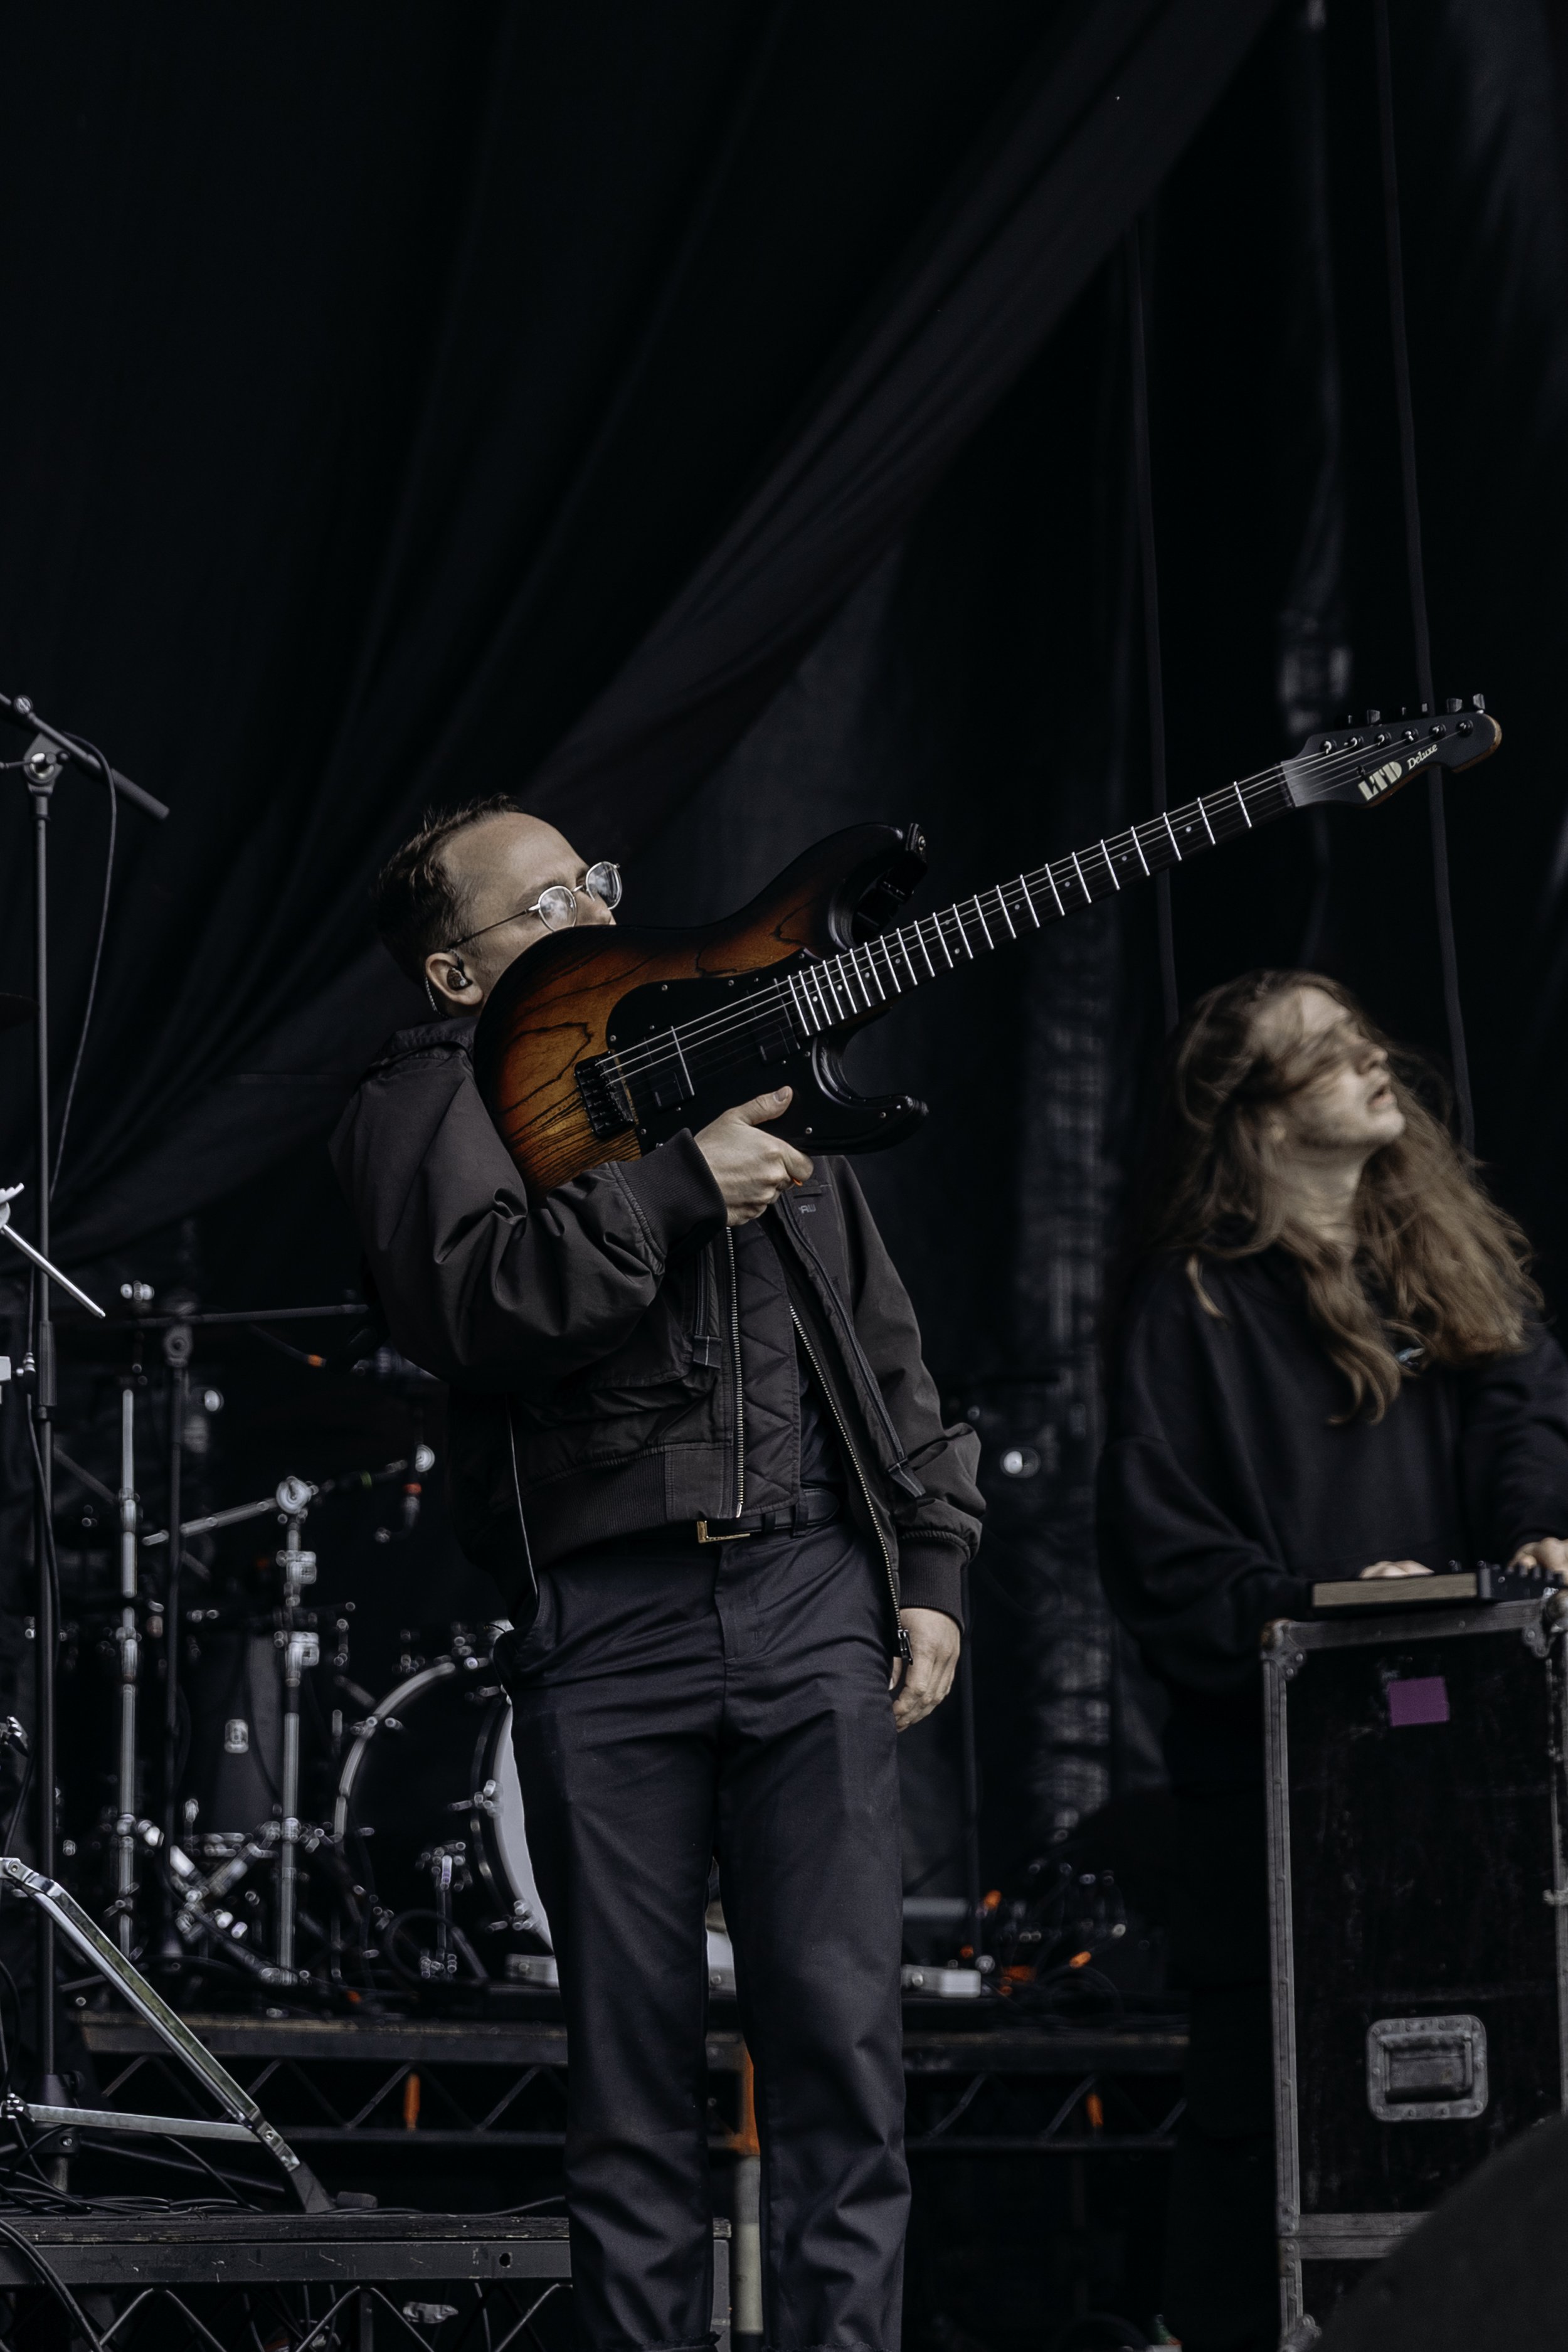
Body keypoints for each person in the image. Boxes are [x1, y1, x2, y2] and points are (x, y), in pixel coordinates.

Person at [331, 795, 983, 2351]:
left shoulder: (723, 1051)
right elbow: (469, 1302)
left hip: (812, 1591)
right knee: (628, 2078)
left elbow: (878, 1336)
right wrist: (674, 1187)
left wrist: (932, 1559)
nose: (592, 907)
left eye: (593, 880)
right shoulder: (426, 1100)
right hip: (605, 1618)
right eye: (546, 900)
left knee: (839, 2052)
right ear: (452, 973)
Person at [1097, 970, 1568, 2352]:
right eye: (1326, 1054)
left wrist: (1532, 1533)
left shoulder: (1436, 1252)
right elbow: (1157, 1552)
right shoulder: (1185, 1305)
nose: (1373, 1062)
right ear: (1251, 1115)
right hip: (1282, 1797)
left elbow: (1517, 1406)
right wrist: (1310, 1607)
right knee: (1277, 2108)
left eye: (1365, 1042)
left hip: (1465, 1778)